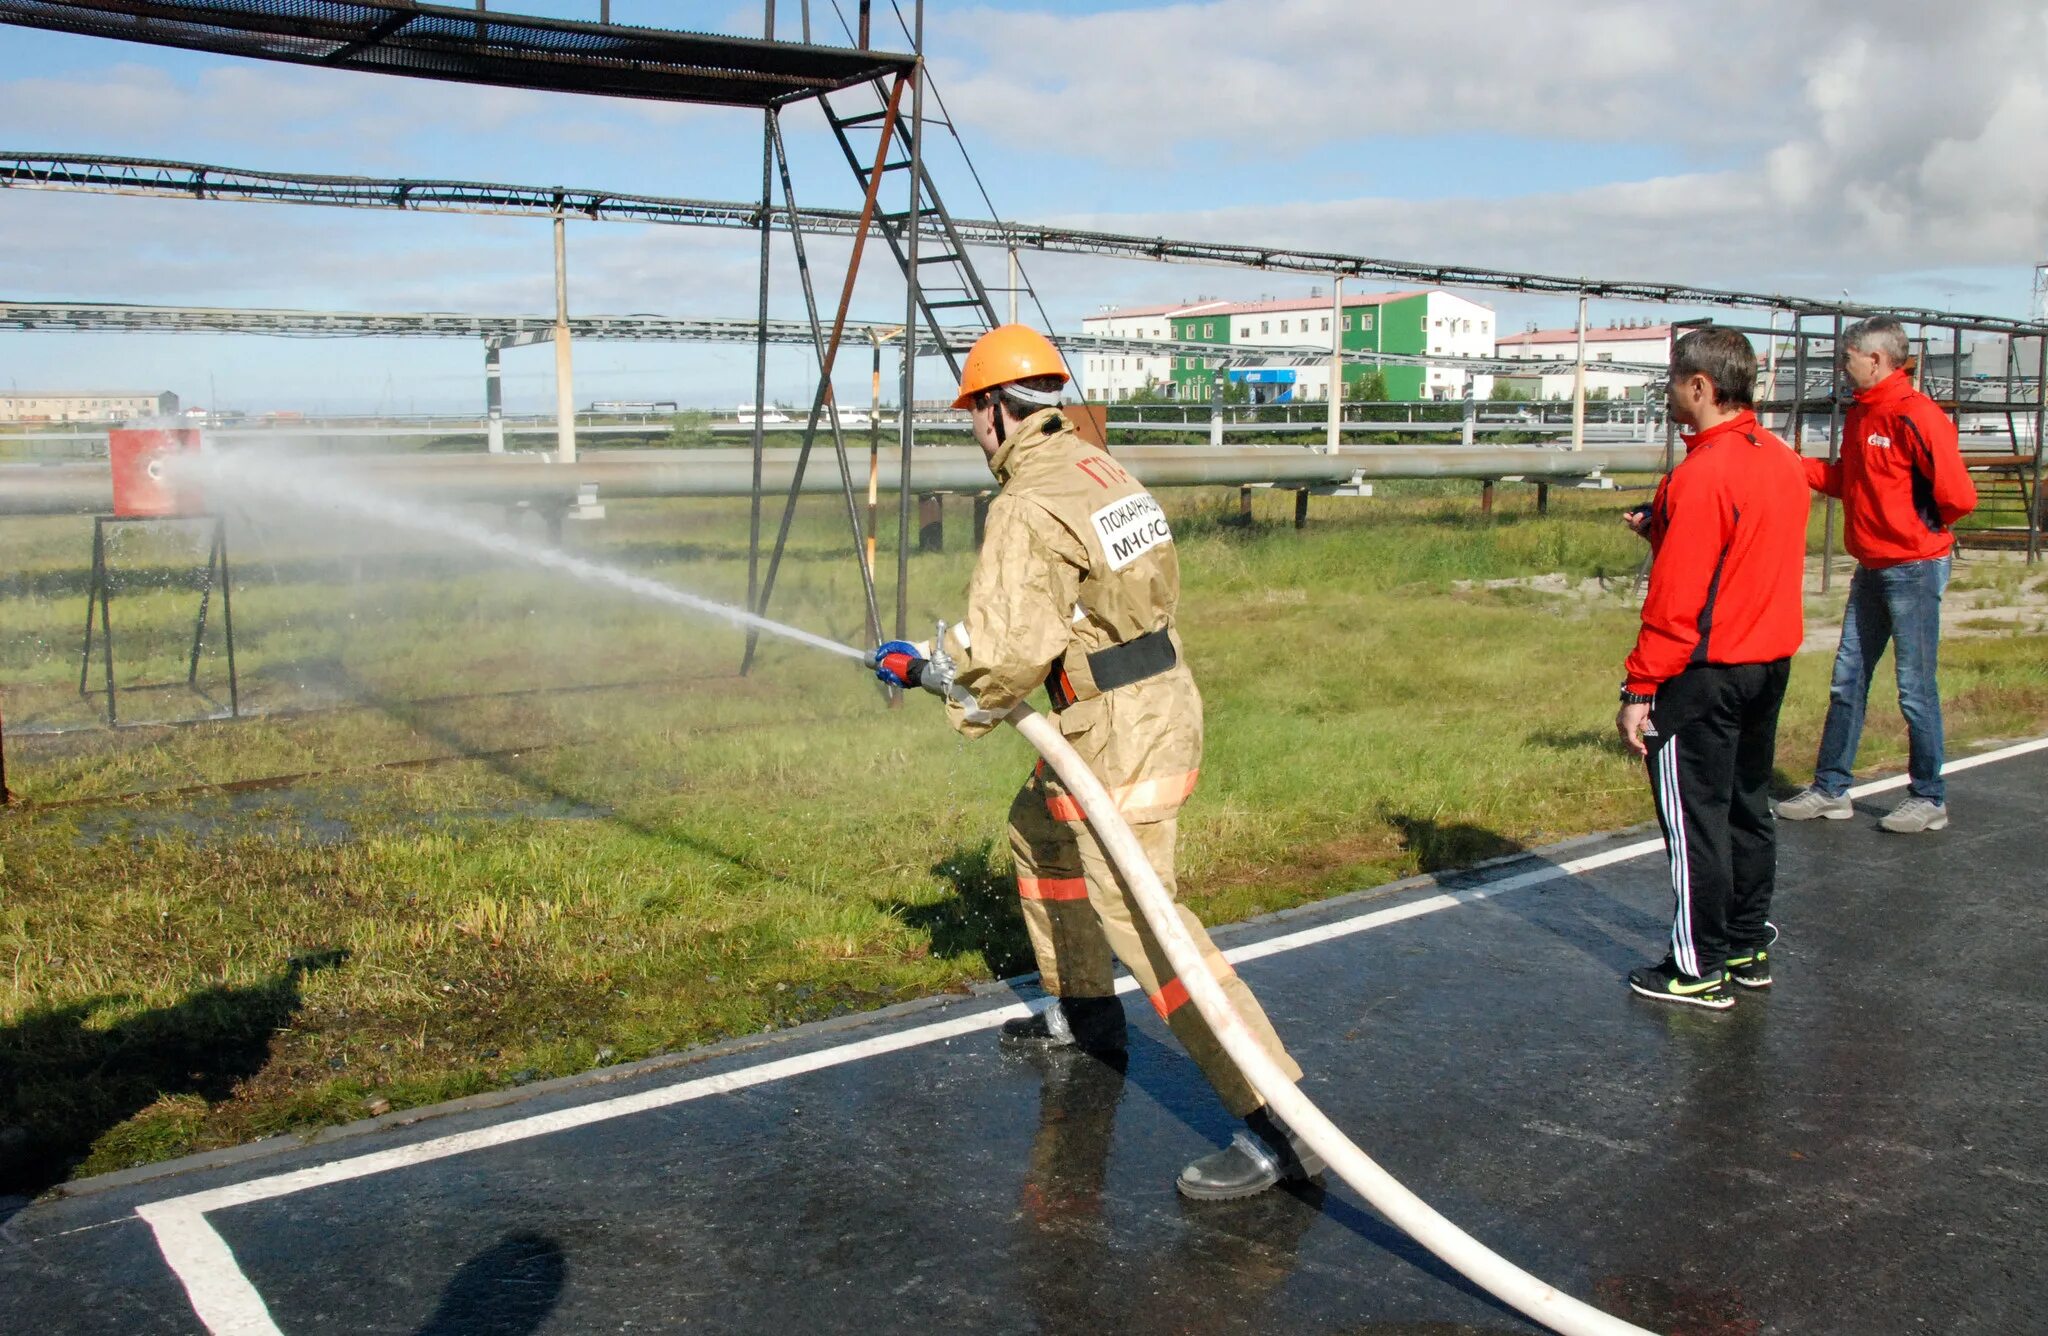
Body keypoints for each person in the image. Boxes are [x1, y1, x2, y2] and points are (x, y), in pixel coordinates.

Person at [871, 324, 1319, 1199]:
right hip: (1143, 700)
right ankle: (1085, 1014)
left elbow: (1004, 662)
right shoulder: (1096, 465)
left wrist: (928, 671)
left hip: (1118, 728)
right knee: (1040, 833)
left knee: (1147, 920)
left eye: (972, 412)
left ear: (999, 410)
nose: (973, 429)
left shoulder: (1026, 502)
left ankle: (1276, 1122)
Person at [1616, 327, 1811, 1009]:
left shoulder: (1702, 474)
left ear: (1700, 387)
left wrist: (1640, 687)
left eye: (1673, 381)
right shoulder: (1780, 459)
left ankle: (1697, 968)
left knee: (1696, 818)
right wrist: (1665, 525)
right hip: (1768, 659)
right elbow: (1744, 549)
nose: (1668, 392)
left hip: (1705, 669)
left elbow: (1677, 601)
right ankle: (1746, 942)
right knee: (1746, 807)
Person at [1775, 316, 1977, 833]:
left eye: (1847, 357)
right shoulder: (1863, 415)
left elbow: (1958, 496)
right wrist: (1792, 464)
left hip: (1913, 567)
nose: (1842, 367)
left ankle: (1929, 796)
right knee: (1848, 680)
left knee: (1913, 686)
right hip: (1870, 568)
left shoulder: (1917, 415)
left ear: (1877, 360)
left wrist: (1918, 531)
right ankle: (1830, 788)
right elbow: (1850, 481)